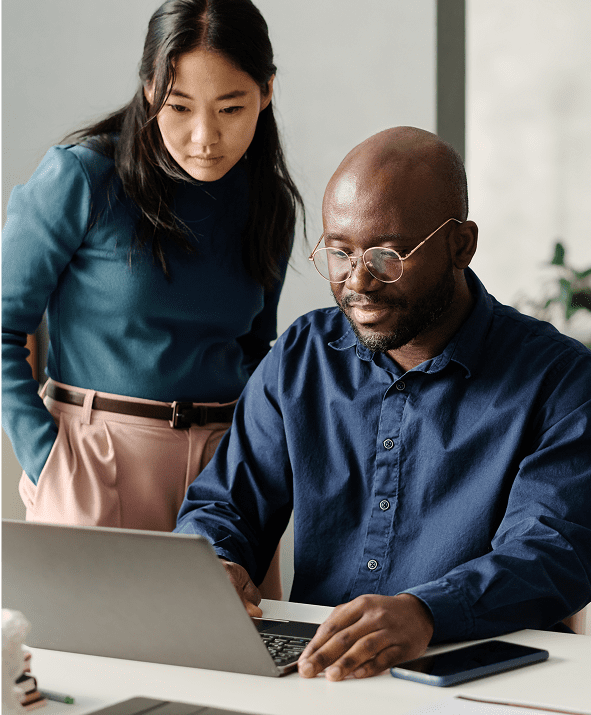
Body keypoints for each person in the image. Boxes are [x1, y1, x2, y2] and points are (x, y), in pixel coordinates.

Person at [175, 126, 591, 679]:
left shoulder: (560, 379)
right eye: (340, 253)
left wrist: (426, 612)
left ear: (460, 246)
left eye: (387, 256)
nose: (358, 281)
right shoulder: (303, 355)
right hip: (321, 674)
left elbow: (550, 553)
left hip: (479, 678)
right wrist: (214, 562)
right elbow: (224, 504)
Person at [1, 0, 304, 598]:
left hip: (227, 476)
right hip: (97, 459)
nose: (204, 136)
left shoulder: (266, 201)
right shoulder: (83, 175)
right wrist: (48, 461)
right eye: (179, 105)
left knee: (237, 672)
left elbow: (255, 351)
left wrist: (253, 465)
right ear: (148, 90)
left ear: (267, 92)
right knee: (97, 674)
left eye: (230, 107)